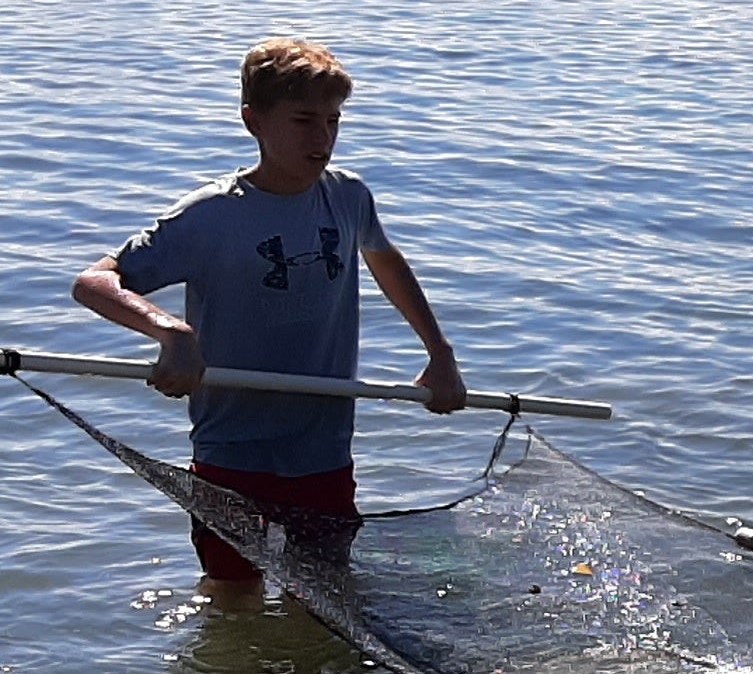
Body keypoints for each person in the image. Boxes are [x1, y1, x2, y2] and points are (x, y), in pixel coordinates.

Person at [71, 39, 469, 588]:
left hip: (323, 443)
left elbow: (384, 259)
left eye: (333, 121)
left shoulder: (348, 197)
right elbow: (94, 282)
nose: (322, 137)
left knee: (327, 590)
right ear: (254, 122)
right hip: (233, 447)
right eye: (304, 120)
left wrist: (439, 353)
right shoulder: (211, 216)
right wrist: (171, 331)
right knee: (234, 593)